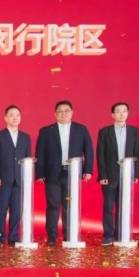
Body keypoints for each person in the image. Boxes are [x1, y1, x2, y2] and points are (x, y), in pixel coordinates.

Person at [35, 100, 93, 246]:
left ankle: (69, 236)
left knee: (70, 206)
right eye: (60, 111)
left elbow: (89, 151)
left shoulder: (81, 129)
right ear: (55, 114)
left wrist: (88, 170)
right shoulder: (46, 131)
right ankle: (52, 237)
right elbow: (40, 153)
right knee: (53, 205)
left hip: (72, 173)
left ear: (72, 113)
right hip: (52, 174)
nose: (63, 113)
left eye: (66, 111)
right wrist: (40, 173)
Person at [96, 102, 139, 246]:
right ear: (113, 114)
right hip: (110, 175)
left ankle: (121, 234)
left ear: (128, 113)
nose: (122, 114)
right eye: (118, 111)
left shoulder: (134, 131)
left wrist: (135, 174)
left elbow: (137, 153)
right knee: (109, 207)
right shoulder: (105, 132)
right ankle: (108, 235)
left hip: (127, 174)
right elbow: (100, 155)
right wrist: (102, 175)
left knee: (124, 206)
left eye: (124, 111)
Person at [0, 105, 31, 246]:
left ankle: (13, 237)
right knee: (1, 209)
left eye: (17, 115)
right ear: (5, 118)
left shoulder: (25, 137)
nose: (15, 118)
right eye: (11, 115)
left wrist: (26, 178)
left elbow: (27, 159)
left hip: (19, 180)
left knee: (17, 211)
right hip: (3, 179)